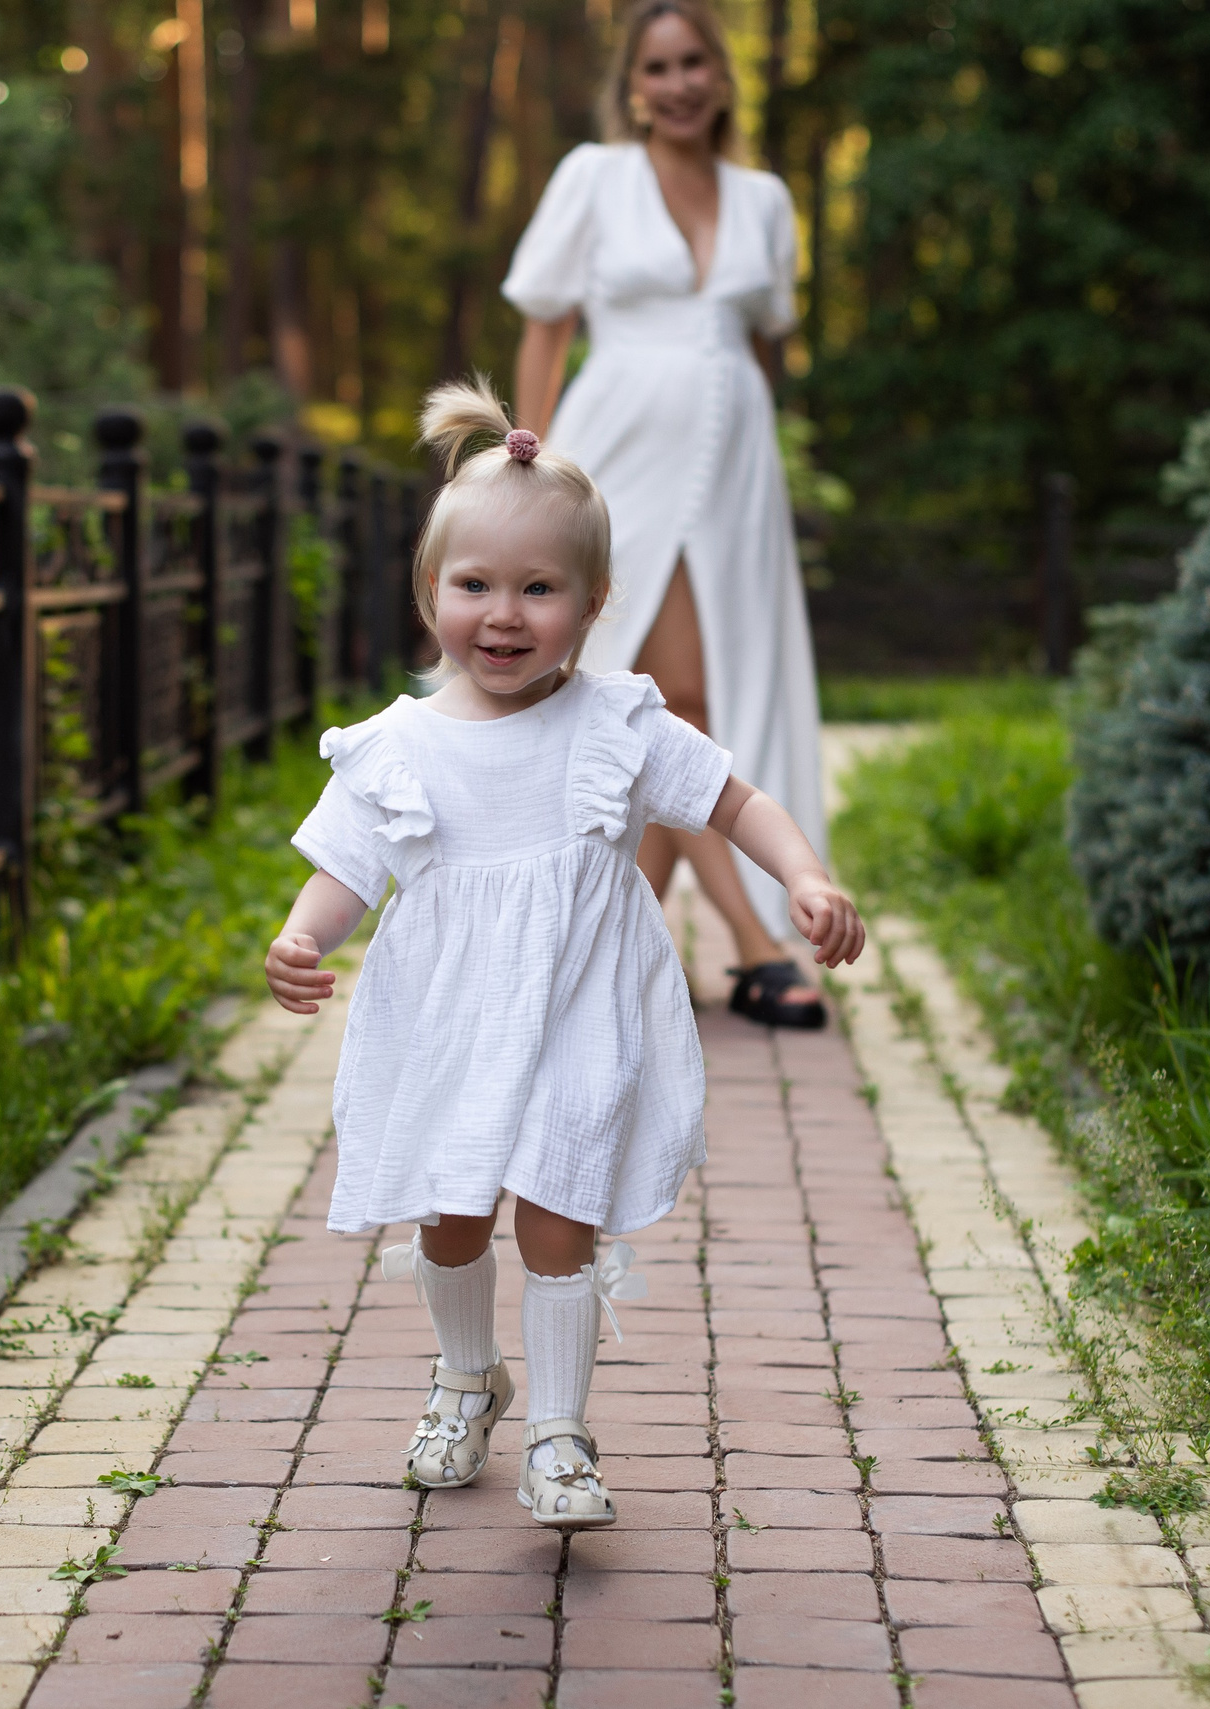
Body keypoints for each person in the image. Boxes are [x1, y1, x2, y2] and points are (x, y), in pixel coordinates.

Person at [263, 379, 863, 1528]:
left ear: (591, 605)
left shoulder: (617, 722)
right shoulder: (397, 746)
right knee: (448, 1216)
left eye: (538, 589)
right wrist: (301, 936)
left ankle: (560, 1432)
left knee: (556, 1212)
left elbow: (734, 803)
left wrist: (804, 875)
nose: (503, 613)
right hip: (450, 1023)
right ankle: (463, 1376)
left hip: (581, 1014)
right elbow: (344, 869)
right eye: (475, 585)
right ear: (429, 591)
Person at [503, 0, 831, 1028]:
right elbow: (546, 330)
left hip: (732, 469)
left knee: (699, 685)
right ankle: (752, 938)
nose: (680, 81)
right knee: (651, 687)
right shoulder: (591, 177)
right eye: (659, 65)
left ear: (721, 76)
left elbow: (759, 330)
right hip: (614, 449)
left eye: (696, 62)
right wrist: (526, 462)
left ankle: (618, 944)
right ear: (633, 84)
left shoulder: (765, 198)